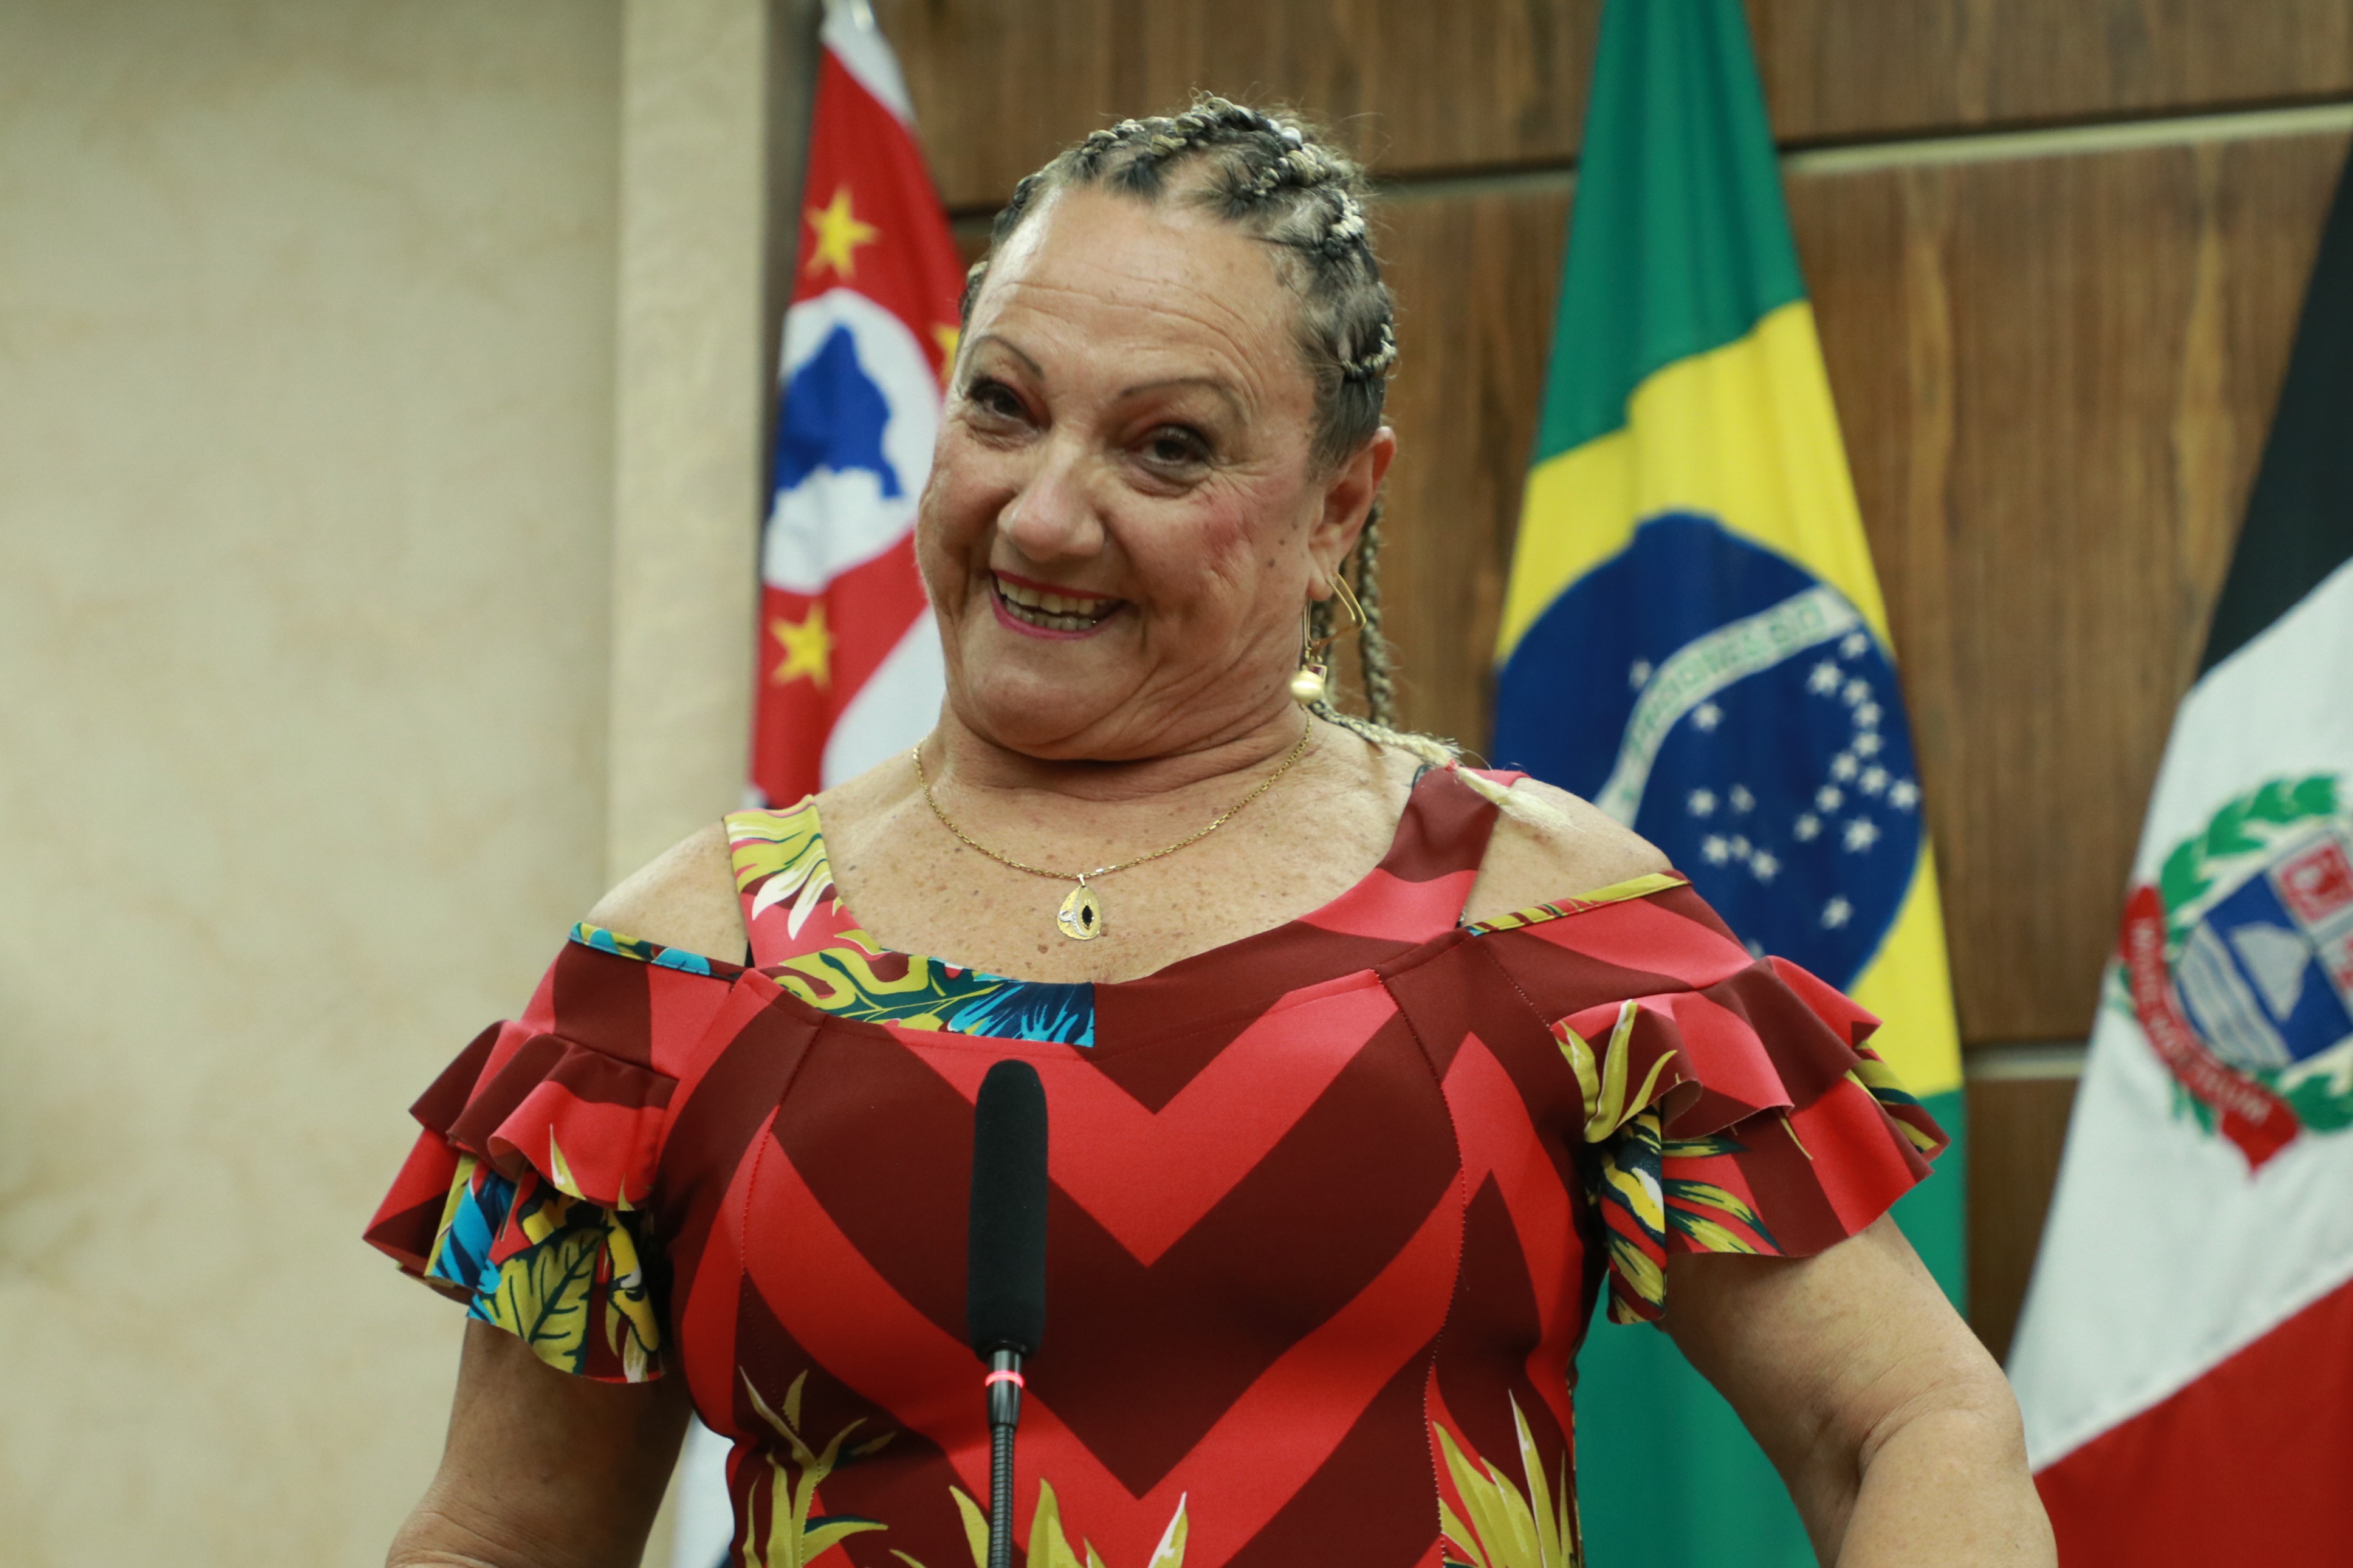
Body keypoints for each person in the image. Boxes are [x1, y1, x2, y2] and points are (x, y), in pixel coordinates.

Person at [373, 97, 2054, 1568]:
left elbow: (1908, 1426)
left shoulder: (1543, 924)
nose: (1045, 513)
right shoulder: (678, 975)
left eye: (1166, 447)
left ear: (1336, 509)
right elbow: (499, 1542)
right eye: (1003, 407)